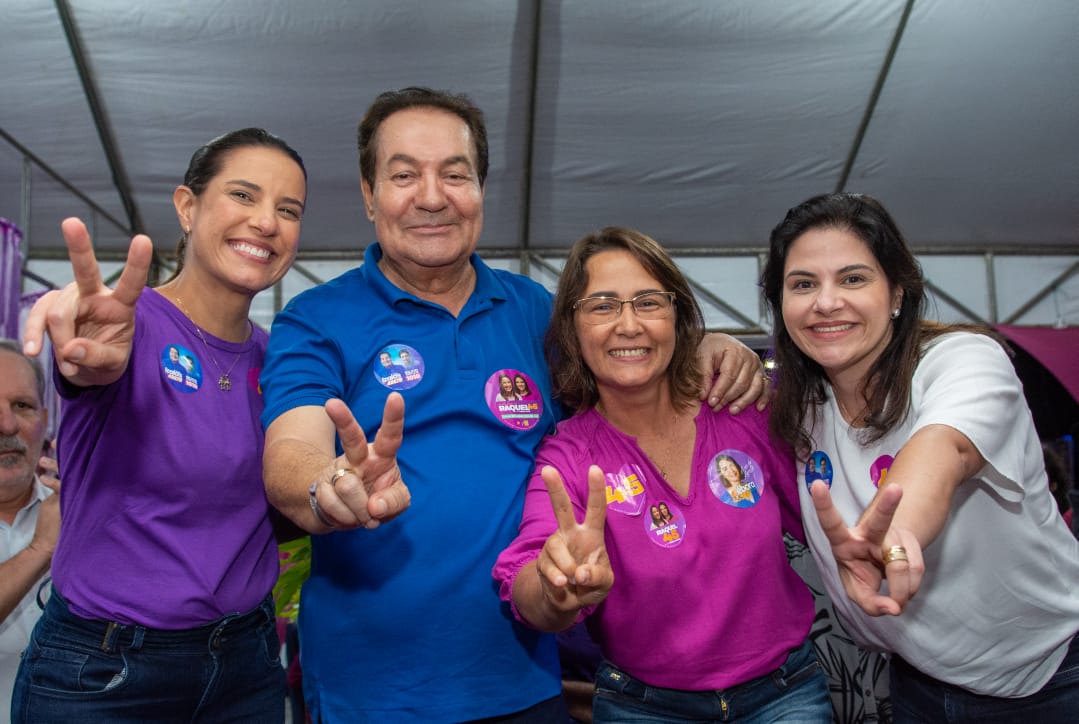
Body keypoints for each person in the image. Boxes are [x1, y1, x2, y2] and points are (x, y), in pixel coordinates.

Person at [260, 87, 767, 723]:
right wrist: (327, 484)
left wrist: (706, 347)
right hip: (372, 693)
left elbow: (629, 379)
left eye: (455, 174)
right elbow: (291, 447)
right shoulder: (315, 318)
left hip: (525, 678)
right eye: (404, 175)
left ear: (481, 189)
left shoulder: (537, 313)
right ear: (369, 195)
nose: (432, 197)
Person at [12, 128, 312, 722]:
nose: (266, 222)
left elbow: (263, 512)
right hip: (104, 674)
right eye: (243, 195)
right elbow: (92, 363)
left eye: (288, 210)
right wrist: (86, 347)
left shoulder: (281, 361)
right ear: (187, 206)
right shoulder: (125, 324)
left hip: (245, 665)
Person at [761, 192, 1079, 722]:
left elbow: (945, 446)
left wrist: (896, 532)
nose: (826, 302)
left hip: (1050, 677)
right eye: (803, 284)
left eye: (853, 278)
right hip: (918, 681)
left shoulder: (962, 359)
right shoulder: (803, 407)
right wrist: (714, 347)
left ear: (897, 293)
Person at [493, 227, 829, 722]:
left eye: (648, 302)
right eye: (602, 306)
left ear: (678, 315)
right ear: (572, 329)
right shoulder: (567, 457)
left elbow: (827, 508)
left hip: (784, 695)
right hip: (643, 707)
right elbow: (527, 578)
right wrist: (555, 588)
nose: (629, 325)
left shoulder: (743, 408)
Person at [0, 341, 58, 723]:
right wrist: (41, 549)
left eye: (22, 405)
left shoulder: (83, 515)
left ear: (45, 418)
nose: (7, 425)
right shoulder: (55, 532)